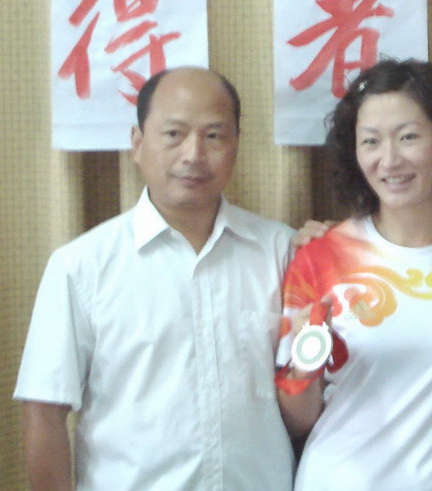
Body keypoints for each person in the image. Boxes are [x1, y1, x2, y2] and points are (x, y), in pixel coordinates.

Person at [14, 67, 295, 490]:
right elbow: (44, 410)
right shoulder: (81, 265)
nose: (193, 154)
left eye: (214, 136)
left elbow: (310, 394)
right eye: (174, 134)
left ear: (236, 145)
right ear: (137, 143)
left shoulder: (282, 251)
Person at [275, 59, 432, 490]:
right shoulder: (320, 256)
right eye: (370, 141)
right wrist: (304, 364)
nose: (389, 160)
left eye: (408, 137)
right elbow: (298, 421)